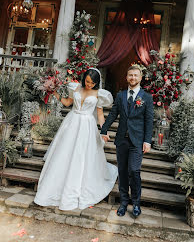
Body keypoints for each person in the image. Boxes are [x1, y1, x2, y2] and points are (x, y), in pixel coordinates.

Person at [34, 68, 118, 210]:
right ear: (84, 78)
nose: (89, 85)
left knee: (81, 155)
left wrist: (104, 131)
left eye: (92, 83)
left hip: (87, 126)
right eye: (87, 81)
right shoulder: (76, 88)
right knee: (64, 153)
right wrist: (54, 92)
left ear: (96, 83)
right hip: (72, 122)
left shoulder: (99, 94)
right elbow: (67, 103)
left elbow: (100, 115)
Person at [100, 65, 153, 218]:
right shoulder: (121, 95)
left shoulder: (147, 98)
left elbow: (149, 121)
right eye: (130, 75)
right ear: (126, 77)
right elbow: (113, 114)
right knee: (122, 172)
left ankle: (136, 203)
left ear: (141, 78)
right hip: (121, 140)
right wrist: (104, 130)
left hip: (137, 141)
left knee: (134, 171)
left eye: (136, 75)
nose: (133, 78)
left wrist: (147, 141)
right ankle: (123, 203)